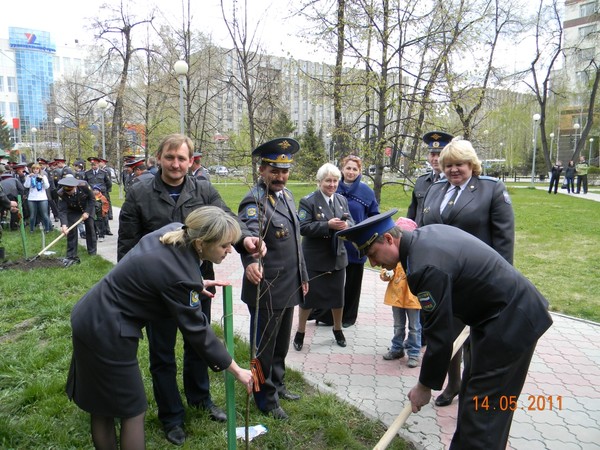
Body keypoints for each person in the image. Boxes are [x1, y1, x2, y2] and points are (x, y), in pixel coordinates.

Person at [337, 210, 553, 450]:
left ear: (388, 239)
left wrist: (424, 386)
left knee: (484, 413)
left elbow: (439, 334)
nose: (373, 263)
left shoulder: (423, 267)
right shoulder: (423, 238)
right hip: (494, 317)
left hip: (511, 322)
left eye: (372, 254)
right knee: (475, 401)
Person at [66, 206, 254, 450]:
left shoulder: (175, 231)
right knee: (132, 409)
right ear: (200, 243)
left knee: (104, 404)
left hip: (91, 315)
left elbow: (162, 272)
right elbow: (198, 332)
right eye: (224, 245)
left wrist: (195, 283)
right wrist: (236, 369)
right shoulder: (179, 274)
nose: (230, 251)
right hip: (107, 331)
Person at [118, 133, 263, 446]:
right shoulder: (140, 192)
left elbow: (227, 221)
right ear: (159, 158)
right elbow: (127, 247)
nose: (175, 164)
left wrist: (246, 242)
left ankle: (200, 399)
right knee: (162, 354)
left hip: (199, 283)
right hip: (157, 292)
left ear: (190, 160)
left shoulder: (203, 188)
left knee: (198, 342)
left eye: (182, 158)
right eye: (170, 158)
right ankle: (172, 415)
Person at [420, 137, 514, 408]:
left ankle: (474, 387)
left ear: (472, 164)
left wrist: (501, 280)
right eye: (448, 165)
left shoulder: (491, 190)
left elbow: (504, 240)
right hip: (443, 279)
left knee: (476, 338)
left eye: (459, 164)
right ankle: (454, 383)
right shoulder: (436, 190)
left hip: (478, 280)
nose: (453, 170)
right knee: (447, 335)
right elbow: (425, 229)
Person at [238, 137, 309, 420]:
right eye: (274, 170)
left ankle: (276, 385)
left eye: (284, 170)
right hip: (265, 288)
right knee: (263, 349)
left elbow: (295, 243)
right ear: (262, 170)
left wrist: (303, 276)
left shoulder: (287, 196)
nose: (280, 176)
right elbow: (248, 232)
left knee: (279, 345)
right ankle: (262, 396)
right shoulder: (254, 200)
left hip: (288, 286)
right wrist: (252, 260)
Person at [311, 154, 379, 327]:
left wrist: (366, 234)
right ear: (342, 169)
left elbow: (374, 215)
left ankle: (348, 317)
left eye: (354, 169)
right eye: (348, 168)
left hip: (356, 243)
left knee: (352, 283)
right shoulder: (332, 186)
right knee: (331, 282)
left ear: (360, 171)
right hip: (333, 244)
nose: (351, 172)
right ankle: (325, 315)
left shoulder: (366, 192)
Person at [293, 163, 353, 352]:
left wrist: (348, 226)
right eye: (328, 181)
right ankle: (300, 332)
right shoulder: (308, 201)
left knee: (338, 298)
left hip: (337, 257)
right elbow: (302, 227)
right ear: (319, 182)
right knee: (308, 298)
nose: (332, 185)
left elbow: (350, 220)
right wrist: (327, 225)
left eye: (335, 181)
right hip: (315, 259)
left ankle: (338, 329)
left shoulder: (341, 199)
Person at [380, 217, 421, 368]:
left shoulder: (416, 256)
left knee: (415, 327)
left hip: (412, 298)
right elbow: (384, 272)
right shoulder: (393, 256)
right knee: (398, 325)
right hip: (396, 297)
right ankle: (397, 348)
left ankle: (414, 353)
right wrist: (387, 274)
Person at [407, 131, 454, 224]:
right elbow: (412, 214)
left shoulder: (453, 182)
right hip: (420, 235)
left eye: (440, 154)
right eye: (432, 154)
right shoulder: (421, 181)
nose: (435, 159)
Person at [57, 175, 97, 266]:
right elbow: (62, 210)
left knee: (90, 228)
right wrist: (64, 225)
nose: (69, 194)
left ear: (75, 187)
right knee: (71, 231)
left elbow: (92, 199)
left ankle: (92, 252)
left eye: (70, 191)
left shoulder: (84, 185)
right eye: (67, 192)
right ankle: (71, 254)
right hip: (73, 210)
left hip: (87, 207)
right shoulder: (61, 193)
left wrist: (87, 212)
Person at [23, 163, 52, 232]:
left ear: (39, 169)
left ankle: (47, 229)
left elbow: (47, 186)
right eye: (34, 169)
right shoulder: (29, 176)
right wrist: (28, 178)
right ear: (32, 170)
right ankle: (32, 229)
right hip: (32, 198)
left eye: (37, 169)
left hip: (42, 198)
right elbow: (26, 186)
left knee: (44, 214)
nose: (35, 170)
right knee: (32, 215)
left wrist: (42, 180)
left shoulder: (43, 176)